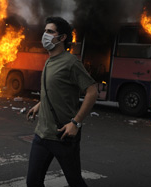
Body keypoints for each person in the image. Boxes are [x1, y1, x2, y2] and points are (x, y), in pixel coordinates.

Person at [26, 16, 98, 187]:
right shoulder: (50, 60)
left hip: (63, 135)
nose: (45, 35)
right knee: (33, 182)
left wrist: (76, 123)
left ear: (62, 37)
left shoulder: (71, 62)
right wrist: (40, 104)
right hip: (41, 135)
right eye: (45, 31)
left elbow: (92, 91)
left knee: (75, 182)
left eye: (50, 32)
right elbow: (54, 90)